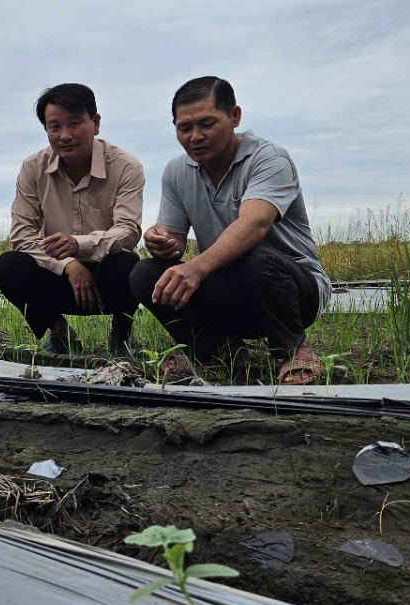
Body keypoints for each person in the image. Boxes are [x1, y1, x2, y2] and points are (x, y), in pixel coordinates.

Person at [129, 76, 332, 385]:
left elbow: (255, 224)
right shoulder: (175, 172)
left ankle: (293, 348)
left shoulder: (269, 159)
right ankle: (212, 351)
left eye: (207, 124)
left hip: (291, 290)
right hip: (231, 286)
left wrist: (196, 268)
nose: (196, 136)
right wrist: (161, 242)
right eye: (185, 128)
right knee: (144, 273)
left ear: (234, 116)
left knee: (255, 258)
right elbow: (176, 243)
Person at [0, 83, 144, 356]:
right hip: (57, 276)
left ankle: (122, 334)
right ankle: (60, 332)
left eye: (75, 123)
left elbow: (129, 231)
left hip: (106, 278)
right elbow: (22, 236)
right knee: (9, 266)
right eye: (54, 127)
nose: (64, 135)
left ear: (95, 123)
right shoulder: (32, 168)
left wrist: (80, 245)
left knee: (129, 265)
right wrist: (68, 264)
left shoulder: (126, 167)